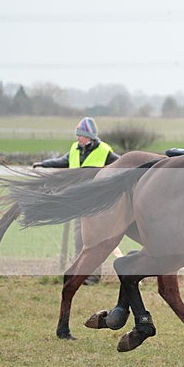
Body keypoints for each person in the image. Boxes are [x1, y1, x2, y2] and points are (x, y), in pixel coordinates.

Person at [33, 117, 119, 285]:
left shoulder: (104, 151)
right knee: (79, 239)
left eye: (81, 135)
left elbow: (121, 164)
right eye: (78, 135)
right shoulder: (75, 149)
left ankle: (93, 277)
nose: (78, 138)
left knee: (94, 240)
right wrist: (43, 164)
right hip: (79, 202)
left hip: (96, 202)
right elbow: (62, 162)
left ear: (90, 136)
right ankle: (81, 275)